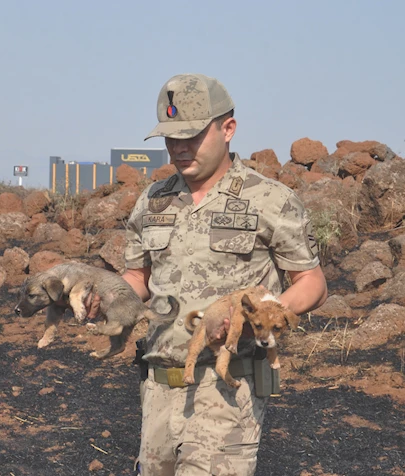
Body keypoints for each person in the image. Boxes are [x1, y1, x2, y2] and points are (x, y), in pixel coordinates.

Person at [119, 73, 328, 475]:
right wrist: (103, 298)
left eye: (192, 136)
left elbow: (313, 284)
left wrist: (261, 316)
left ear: (228, 128)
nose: (179, 148)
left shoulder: (270, 199)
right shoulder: (152, 201)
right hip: (158, 387)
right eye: (170, 138)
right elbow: (138, 279)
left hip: (228, 389)